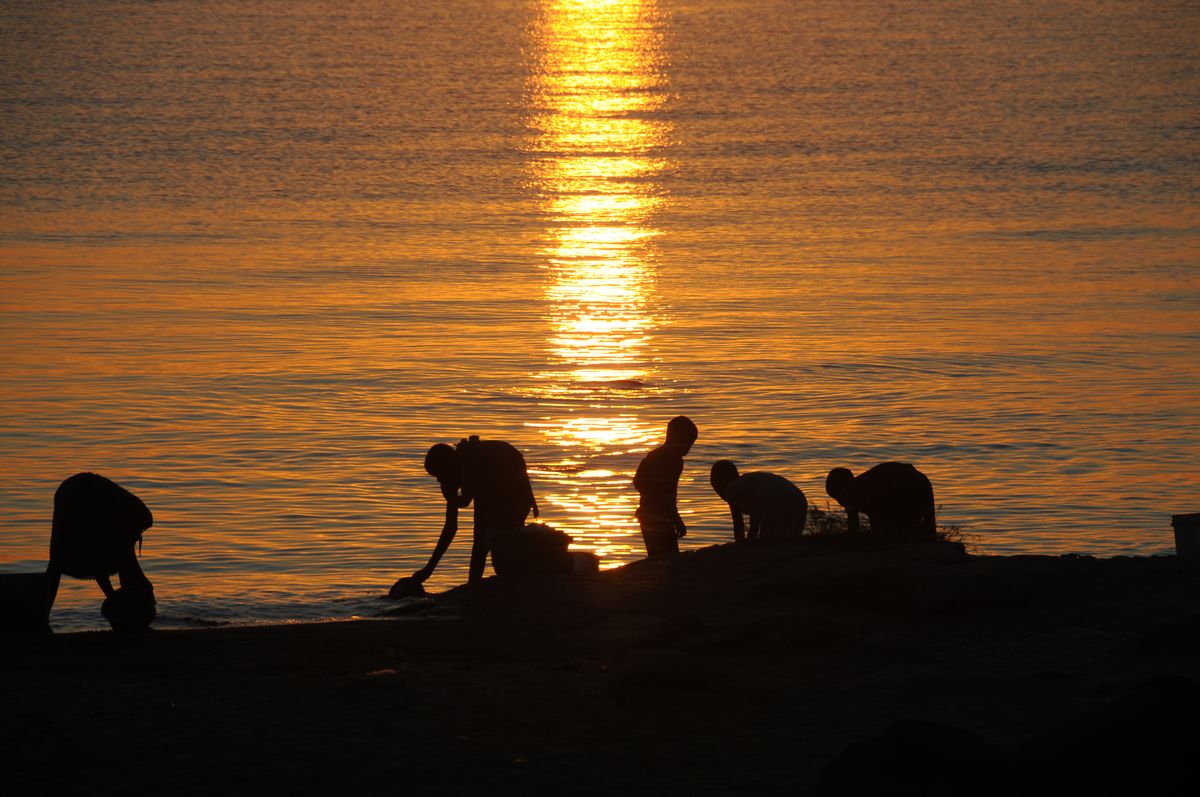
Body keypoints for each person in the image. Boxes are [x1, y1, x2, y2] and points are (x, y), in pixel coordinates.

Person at [411, 435, 539, 585]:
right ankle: (480, 582)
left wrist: (428, 569)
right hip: (505, 488)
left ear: (447, 466)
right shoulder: (454, 471)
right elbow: (451, 527)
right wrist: (428, 570)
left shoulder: (473, 463)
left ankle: (478, 584)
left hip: (513, 490)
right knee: (488, 537)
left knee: (486, 538)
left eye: (439, 475)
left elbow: (465, 504)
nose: (439, 480)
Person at [45, 472, 156, 631]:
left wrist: (144, 582)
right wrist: (112, 598)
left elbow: (127, 557)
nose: (138, 535)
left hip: (89, 493)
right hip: (77, 497)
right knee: (58, 560)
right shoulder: (112, 520)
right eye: (139, 531)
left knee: (58, 562)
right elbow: (97, 563)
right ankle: (43, 618)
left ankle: (130, 618)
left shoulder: (128, 517)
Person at [633, 416, 698, 557]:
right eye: (688, 443)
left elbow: (638, 482)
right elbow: (668, 494)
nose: (688, 448)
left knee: (659, 556)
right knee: (667, 556)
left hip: (650, 515)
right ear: (676, 438)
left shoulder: (656, 456)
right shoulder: (672, 461)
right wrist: (675, 518)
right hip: (656, 516)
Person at [824, 462, 936, 541]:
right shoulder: (864, 483)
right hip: (919, 479)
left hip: (901, 485)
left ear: (838, 489)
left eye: (836, 497)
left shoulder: (851, 492)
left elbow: (854, 531)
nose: (840, 502)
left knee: (891, 532)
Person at [710, 460, 808, 543]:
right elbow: (755, 521)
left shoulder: (732, 488)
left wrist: (739, 547)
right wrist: (750, 541)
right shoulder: (748, 483)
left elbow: (738, 524)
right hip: (799, 500)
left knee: (768, 544)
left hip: (778, 501)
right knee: (786, 540)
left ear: (719, 483)